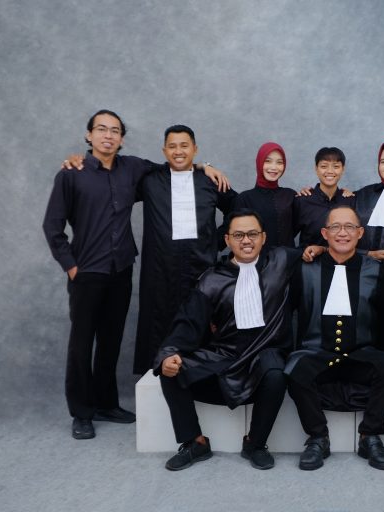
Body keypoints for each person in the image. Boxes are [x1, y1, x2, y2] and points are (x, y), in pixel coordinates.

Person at [154, 209, 302, 471]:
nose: (246, 240)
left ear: (264, 237)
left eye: (253, 234)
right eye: (239, 235)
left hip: (264, 354)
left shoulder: (282, 260)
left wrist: (331, 250)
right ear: (227, 240)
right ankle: (195, 442)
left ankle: (255, 444)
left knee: (276, 373)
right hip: (225, 355)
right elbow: (188, 321)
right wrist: (169, 353)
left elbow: (327, 251)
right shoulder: (211, 279)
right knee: (170, 370)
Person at [43, 110, 144, 439]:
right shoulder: (71, 174)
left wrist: (204, 166)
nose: (108, 135)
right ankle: (82, 413)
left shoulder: (132, 169)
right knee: (81, 344)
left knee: (111, 342)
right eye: (101, 129)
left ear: (122, 138)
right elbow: (52, 226)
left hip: (121, 269)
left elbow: (172, 167)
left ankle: (106, 403)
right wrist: (72, 266)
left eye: (115, 131)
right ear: (89, 135)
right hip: (87, 272)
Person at [285, 206, 384, 471]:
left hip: (361, 354)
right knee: (295, 369)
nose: (342, 233)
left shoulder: (375, 269)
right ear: (324, 233)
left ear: (360, 233)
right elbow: (286, 310)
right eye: (335, 227)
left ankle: (370, 436)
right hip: (317, 352)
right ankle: (318, 438)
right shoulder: (304, 268)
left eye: (349, 227)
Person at [134, 125, 236, 374]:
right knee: (159, 323)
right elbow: (115, 181)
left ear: (195, 149)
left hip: (200, 265)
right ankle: (159, 373)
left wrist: (217, 241)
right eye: (172, 146)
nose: (178, 151)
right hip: (160, 268)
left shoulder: (209, 181)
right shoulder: (150, 180)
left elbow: (237, 207)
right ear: (164, 151)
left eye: (184, 146)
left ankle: (199, 376)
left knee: (201, 321)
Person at [233, 142, 297, 248]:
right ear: (259, 162)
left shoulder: (291, 195)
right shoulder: (244, 198)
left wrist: (309, 194)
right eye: (267, 161)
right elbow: (237, 235)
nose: (274, 167)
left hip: (287, 257)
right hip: (254, 257)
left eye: (279, 162)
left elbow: (295, 228)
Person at [293, 147, 355, 248]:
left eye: (336, 166)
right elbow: (287, 236)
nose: (330, 171)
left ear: (343, 169)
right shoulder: (302, 201)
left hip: (343, 258)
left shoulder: (350, 201)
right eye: (324, 166)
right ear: (316, 168)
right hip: (309, 258)